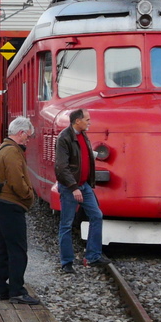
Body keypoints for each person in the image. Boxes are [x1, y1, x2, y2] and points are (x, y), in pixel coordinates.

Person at [0, 117, 39, 304]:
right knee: (18, 250)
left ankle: (2, 290)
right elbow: (16, 181)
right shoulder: (12, 152)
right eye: (28, 136)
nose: (29, 140)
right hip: (11, 205)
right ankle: (17, 291)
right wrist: (29, 195)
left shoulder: (4, 148)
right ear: (21, 133)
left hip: (2, 204)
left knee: (3, 249)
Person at [55, 108, 109, 274]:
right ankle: (66, 262)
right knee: (67, 224)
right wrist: (73, 188)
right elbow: (61, 167)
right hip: (71, 188)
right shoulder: (65, 138)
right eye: (87, 119)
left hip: (84, 185)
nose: (89, 122)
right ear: (77, 121)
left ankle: (93, 255)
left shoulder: (82, 135)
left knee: (97, 215)